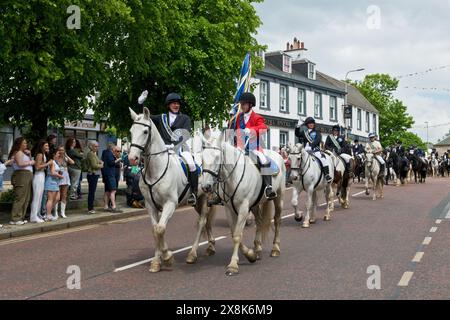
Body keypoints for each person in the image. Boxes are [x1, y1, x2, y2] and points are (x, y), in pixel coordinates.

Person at [137, 90, 199, 206]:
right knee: (148, 165)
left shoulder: (185, 118)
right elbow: (146, 117)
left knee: (191, 164)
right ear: (168, 105)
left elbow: (186, 134)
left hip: (180, 149)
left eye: (177, 103)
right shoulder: (161, 118)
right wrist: (141, 104)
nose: (176, 105)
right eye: (173, 103)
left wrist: (175, 144)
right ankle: (146, 194)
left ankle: (193, 193)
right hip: (163, 149)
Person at [228, 92, 277, 199]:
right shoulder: (238, 117)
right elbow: (233, 130)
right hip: (240, 147)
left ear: (250, 105)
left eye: (244, 104)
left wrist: (251, 130)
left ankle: (268, 187)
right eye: (241, 104)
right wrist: (230, 120)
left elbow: (264, 127)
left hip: (254, 147)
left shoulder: (257, 117)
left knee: (264, 160)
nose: (242, 106)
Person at [295, 117, 332, 183]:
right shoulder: (304, 132)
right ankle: (295, 175)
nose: (311, 124)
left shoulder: (317, 132)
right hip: (305, 150)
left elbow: (318, 140)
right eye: (309, 123)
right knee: (296, 159)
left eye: (312, 123)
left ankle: (327, 175)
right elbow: (297, 134)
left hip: (315, 150)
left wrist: (311, 146)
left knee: (323, 159)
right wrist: (297, 126)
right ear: (307, 124)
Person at [8, 137, 35, 225]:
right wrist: (30, 162)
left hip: (26, 175)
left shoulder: (23, 153)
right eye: (24, 143)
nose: (26, 145)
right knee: (20, 197)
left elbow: (28, 161)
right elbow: (20, 164)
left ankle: (20, 217)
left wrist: (30, 154)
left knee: (27, 197)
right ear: (19, 144)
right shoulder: (18, 153)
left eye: (26, 143)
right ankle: (15, 219)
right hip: (21, 175)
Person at [30, 140, 49, 223]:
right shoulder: (40, 154)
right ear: (41, 146)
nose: (47, 147)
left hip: (42, 175)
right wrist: (47, 164)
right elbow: (37, 167)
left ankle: (37, 214)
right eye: (46, 146)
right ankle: (33, 216)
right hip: (38, 176)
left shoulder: (43, 154)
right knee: (37, 197)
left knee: (40, 197)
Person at [101, 143, 122, 213]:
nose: (115, 151)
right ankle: (114, 206)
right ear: (112, 148)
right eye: (115, 149)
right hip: (110, 174)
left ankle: (106, 206)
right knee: (113, 191)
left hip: (106, 174)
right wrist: (118, 159)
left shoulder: (104, 153)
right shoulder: (109, 154)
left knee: (107, 191)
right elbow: (111, 163)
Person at [44, 147, 63, 221]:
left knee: (57, 198)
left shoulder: (55, 162)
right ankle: (48, 215)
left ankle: (48, 213)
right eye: (58, 153)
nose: (59, 154)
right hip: (51, 181)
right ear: (53, 154)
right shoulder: (52, 161)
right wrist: (59, 175)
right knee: (50, 199)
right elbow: (52, 172)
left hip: (55, 182)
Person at [55, 145, 74, 219]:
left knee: (64, 195)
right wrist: (57, 156)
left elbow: (72, 162)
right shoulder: (55, 158)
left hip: (65, 176)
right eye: (59, 150)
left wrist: (66, 155)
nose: (61, 151)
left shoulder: (65, 158)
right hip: (58, 176)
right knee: (57, 196)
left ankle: (62, 212)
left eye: (62, 150)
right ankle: (55, 212)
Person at [86, 140, 103, 214]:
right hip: (92, 174)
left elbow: (99, 161)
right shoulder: (91, 154)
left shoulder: (94, 154)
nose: (97, 148)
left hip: (94, 174)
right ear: (91, 146)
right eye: (95, 146)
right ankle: (90, 208)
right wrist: (102, 165)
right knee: (91, 192)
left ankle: (91, 207)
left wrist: (100, 163)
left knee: (92, 192)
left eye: (97, 146)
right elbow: (94, 165)